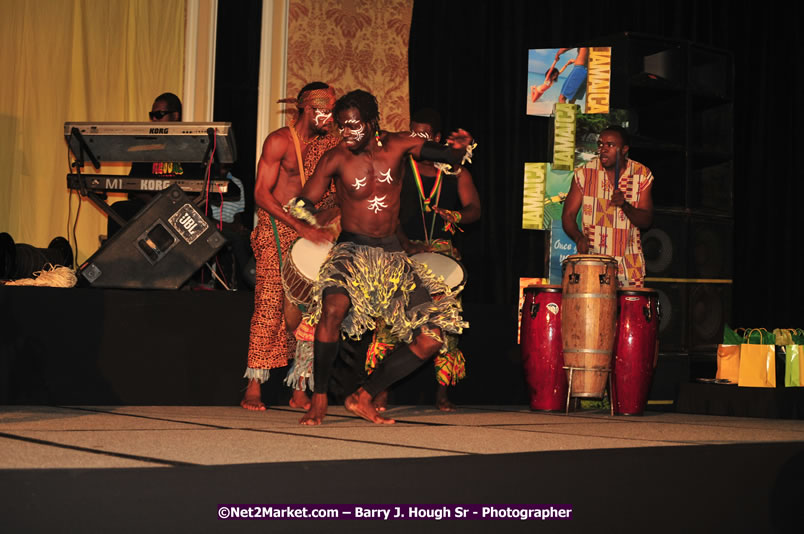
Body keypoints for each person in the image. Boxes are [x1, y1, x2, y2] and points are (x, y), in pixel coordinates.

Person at [286, 90, 474, 425]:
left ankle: (364, 395)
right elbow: (304, 202)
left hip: (392, 257)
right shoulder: (336, 158)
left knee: (432, 337)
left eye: (354, 125)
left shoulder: (400, 145)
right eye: (342, 126)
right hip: (350, 251)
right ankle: (319, 398)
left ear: (373, 122)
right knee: (333, 308)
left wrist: (459, 149)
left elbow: (449, 157)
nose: (347, 132)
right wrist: (314, 218)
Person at [367, 107, 481, 411]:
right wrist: (407, 244)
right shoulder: (400, 168)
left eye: (424, 135)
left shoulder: (457, 173)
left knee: (445, 321)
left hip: (441, 251)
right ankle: (380, 390)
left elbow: (474, 209)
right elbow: (386, 210)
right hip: (402, 249)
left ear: (438, 139)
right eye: (413, 133)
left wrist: (456, 215)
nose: (417, 140)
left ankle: (442, 392)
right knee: (388, 324)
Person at [241, 82, 340, 411]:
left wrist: (322, 219)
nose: (331, 118)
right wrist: (298, 225)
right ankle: (254, 385)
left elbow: (336, 192)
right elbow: (260, 194)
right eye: (326, 112)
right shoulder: (279, 141)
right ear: (309, 110)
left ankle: (300, 386)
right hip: (275, 226)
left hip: (309, 229)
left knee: (310, 311)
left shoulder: (330, 145)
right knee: (270, 301)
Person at [561, 125, 654, 287]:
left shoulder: (641, 174)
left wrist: (624, 205)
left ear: (624, 149)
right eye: (600, 144)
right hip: (593, 264)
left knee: (628, 313)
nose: (603, 149)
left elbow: (646, 221)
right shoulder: (585, 173)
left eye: (610, 145)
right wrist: (578, 237)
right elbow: (568, 215)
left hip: (629, 266)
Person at [107, 93, 205, 238]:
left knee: (200, 217)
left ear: (175, 116)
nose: (153, 119)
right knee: (118, 210)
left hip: (181, 209)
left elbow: (199, 189)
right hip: (150, 207)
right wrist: (156, 205)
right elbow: (133, 186)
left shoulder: (192, 149)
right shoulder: (147, 149)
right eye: (152, 115)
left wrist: (173, 205)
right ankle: (116, 259)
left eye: (159, 114)